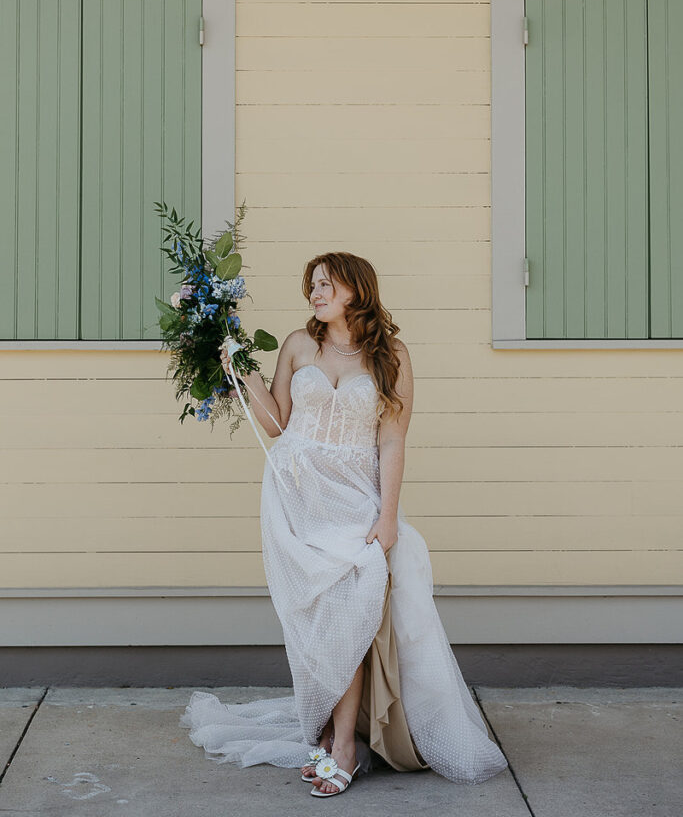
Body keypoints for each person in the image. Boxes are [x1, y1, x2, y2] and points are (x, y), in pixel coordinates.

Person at [180, 251, 508, 797]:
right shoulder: (297, 345)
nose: (315, 292)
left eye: (325, 283)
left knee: (351, 607)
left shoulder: (391, 355)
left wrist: (387, 517)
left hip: (356, 497)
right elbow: (277, 422)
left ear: (356, 289)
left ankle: (345, 747)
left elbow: (393, 439)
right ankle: (336, 736)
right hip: (298, 492)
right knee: (322, 616)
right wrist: (240, 365)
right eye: (312, 284)